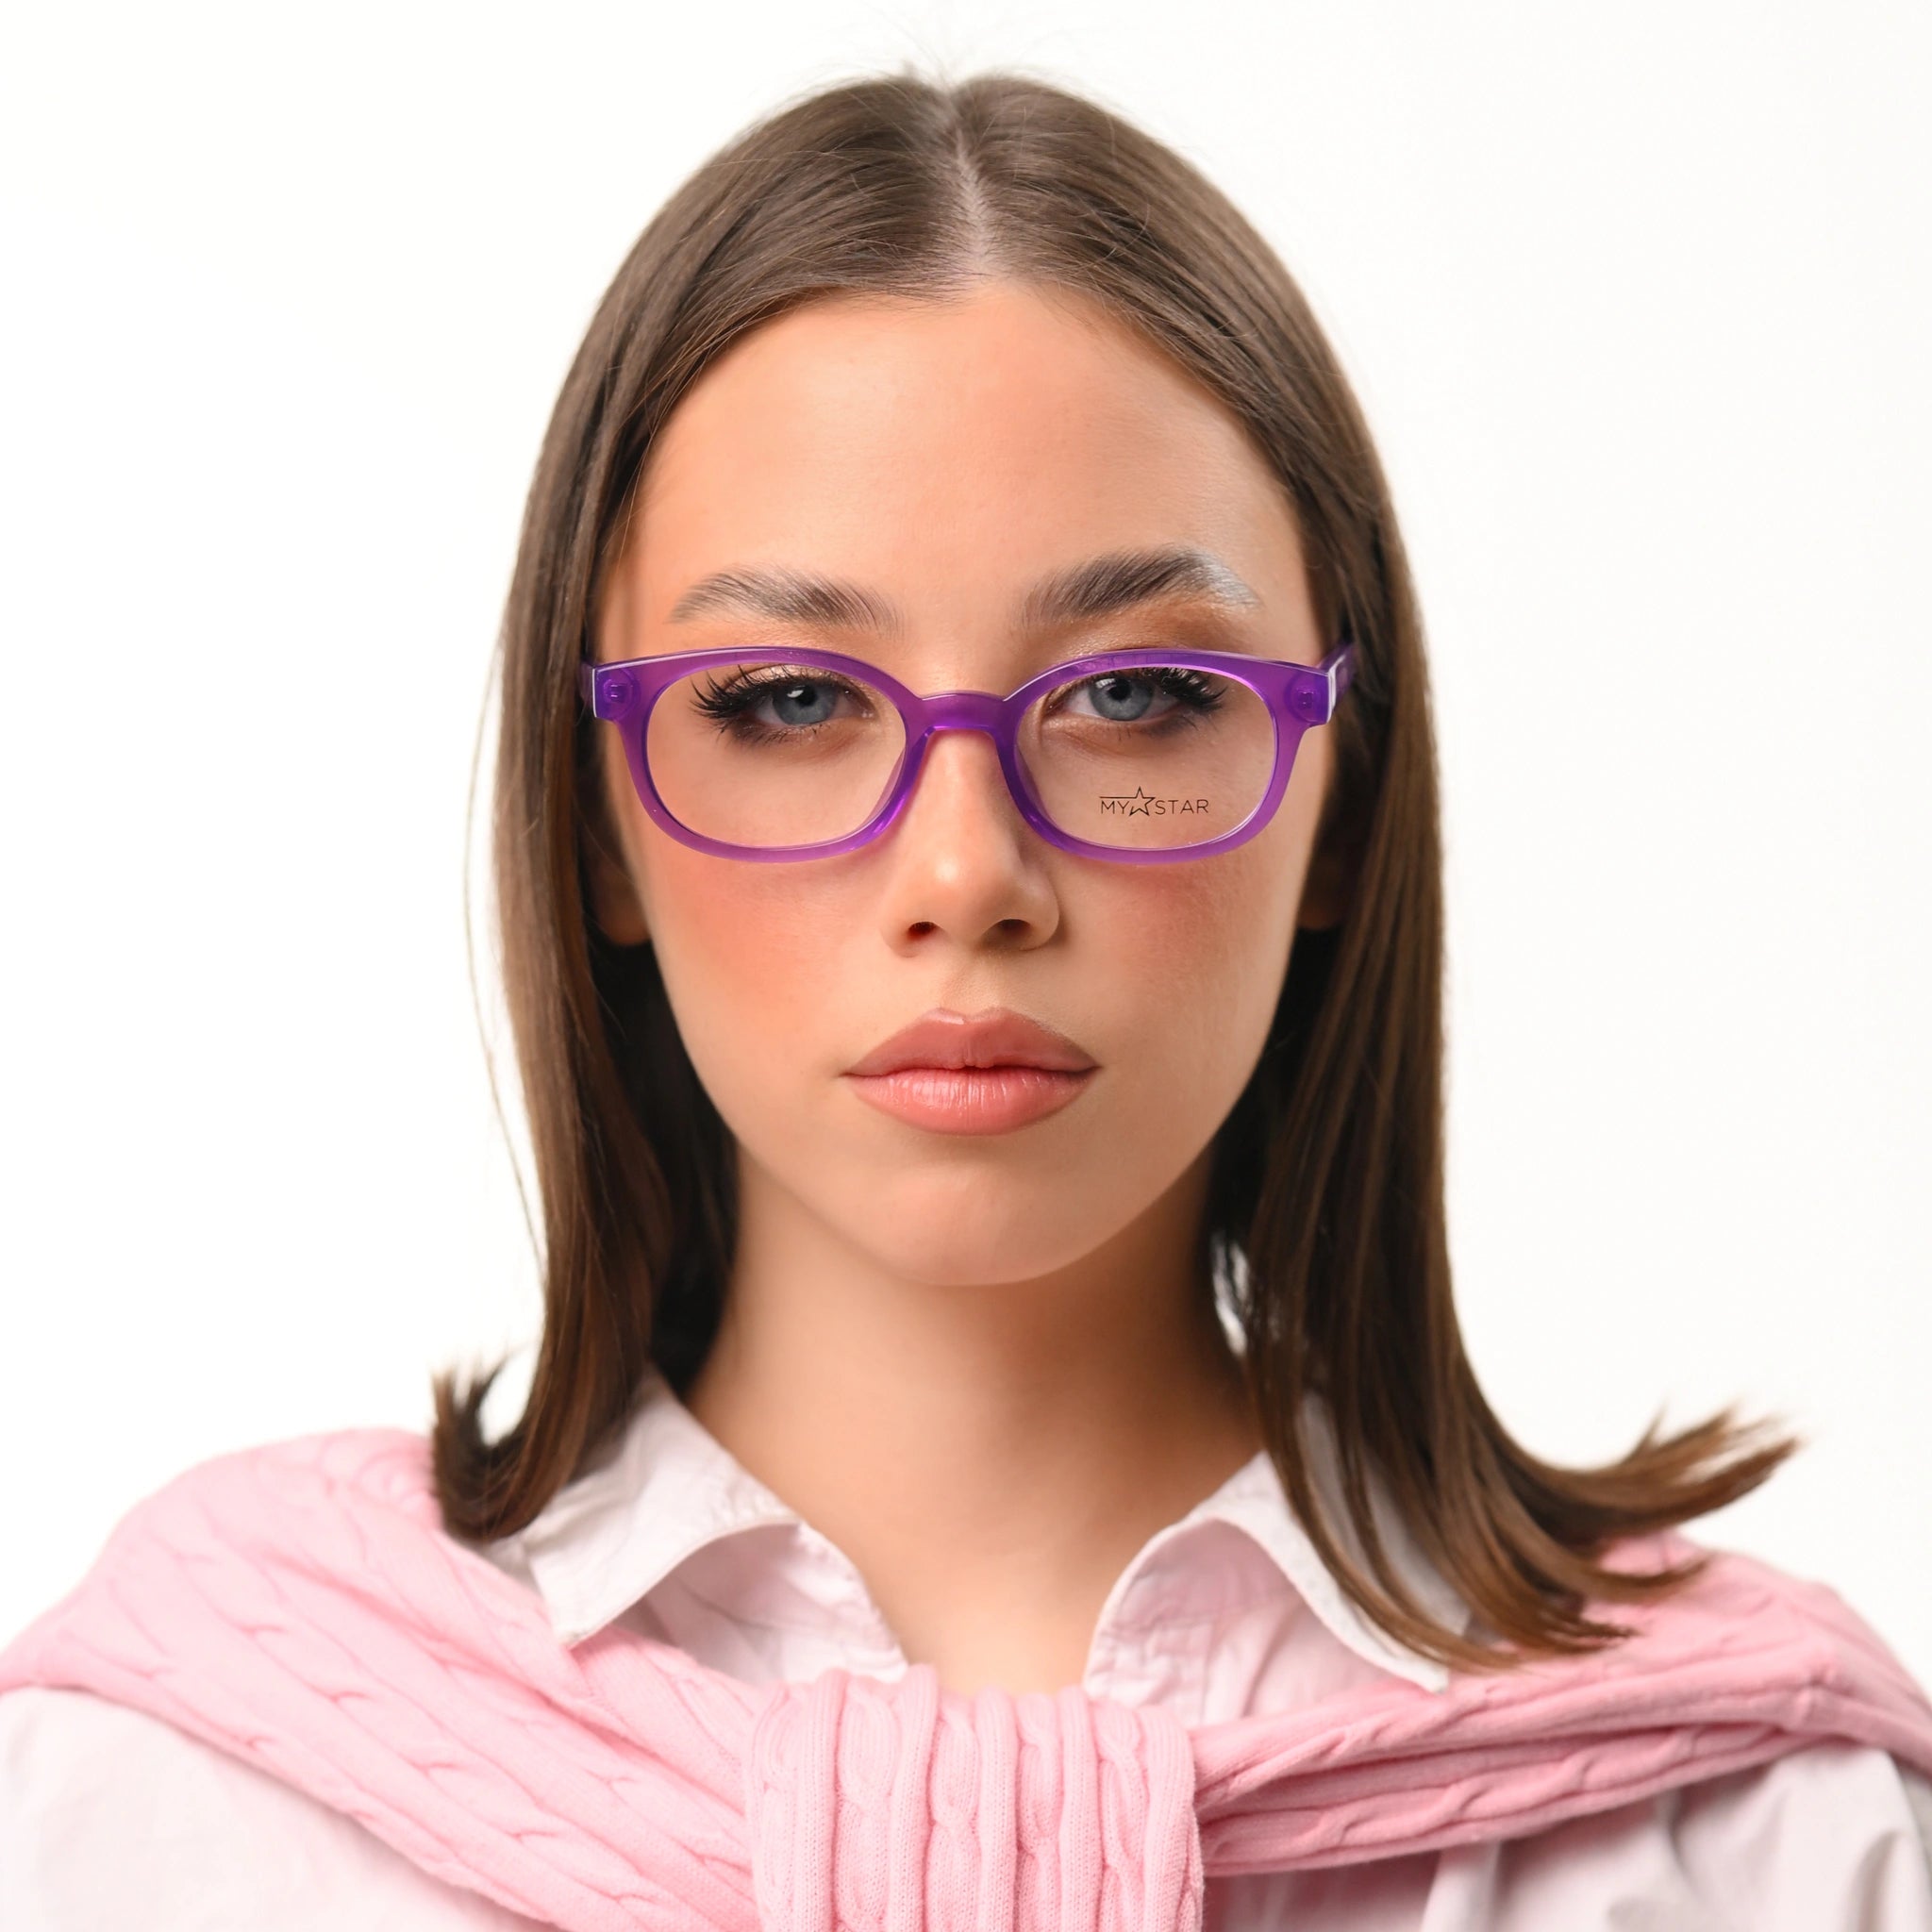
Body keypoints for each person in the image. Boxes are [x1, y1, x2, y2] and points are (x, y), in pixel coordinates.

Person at [4, 65, 1929, 1931]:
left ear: (1340, 797)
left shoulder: (1775, 1837)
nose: (965, 878)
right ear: (594, 824)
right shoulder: (169, 1807)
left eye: (1132, 696)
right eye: (784, 704)